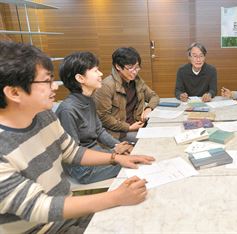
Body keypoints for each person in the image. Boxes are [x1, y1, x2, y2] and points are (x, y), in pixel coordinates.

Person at [0, 41, 155, 233]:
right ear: (14, 92)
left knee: (136, 218)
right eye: (47, 81)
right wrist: (115, 197)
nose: (55, 87)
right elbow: (39, 207)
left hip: (67, 213)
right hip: (44, 228)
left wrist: (117, 157)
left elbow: (72, 151)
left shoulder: (44, 116)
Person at [56, 51, 135, 184]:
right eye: (95, 71)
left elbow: (99, 131)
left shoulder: (89, 99)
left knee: (133, 153)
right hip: (83, 169)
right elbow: (73, 154)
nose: (101, 74)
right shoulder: (68, 110)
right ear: (80, 78)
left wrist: (116, 145)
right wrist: (113, 155)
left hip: (97, 154)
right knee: (135, 164)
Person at [93, 47, 160, 143]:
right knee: (152, 141)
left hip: (138, 125)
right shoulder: (106, 86)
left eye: (137, 67)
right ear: (118, 67)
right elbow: (103, 117)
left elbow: (154, 96)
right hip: (119, 132)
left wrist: (148, 108)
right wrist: (128, 127)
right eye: (130, 67)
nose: (135, 71)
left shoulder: (136, 80)